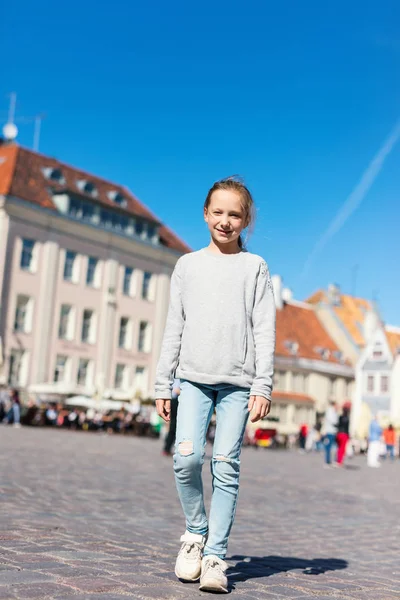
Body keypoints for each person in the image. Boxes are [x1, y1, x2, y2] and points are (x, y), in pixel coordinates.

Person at [155, 177, 276, 593]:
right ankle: (194, 533)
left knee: (225, 467)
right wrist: (161, 381)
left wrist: (263, 386)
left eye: (235, 215)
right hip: (192, 380)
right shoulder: (187, 265)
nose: (225, 221)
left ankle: (215, 556)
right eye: (218, 212)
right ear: (205, 214)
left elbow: (264, 330)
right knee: (185, 459)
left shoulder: (254, 267)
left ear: (246, 221)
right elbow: (175, 325)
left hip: (238, 385)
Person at [163, 379, 180, 456]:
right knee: (173, 427)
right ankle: (167, 448)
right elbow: (176, 390)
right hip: (175, 401)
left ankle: (167, 448)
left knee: (173, 428)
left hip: (175, 401)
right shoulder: (177, 378)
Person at [322, 401, 338, 466]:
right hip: (330, 431)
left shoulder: (333, 412)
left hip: (333, 431)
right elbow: (333, 421)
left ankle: (330, 461)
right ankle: (327, 462)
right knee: (328, 447)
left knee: (332, 447)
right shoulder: (330, 412)